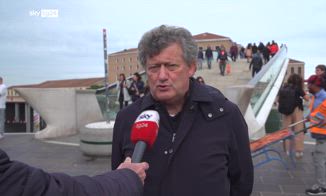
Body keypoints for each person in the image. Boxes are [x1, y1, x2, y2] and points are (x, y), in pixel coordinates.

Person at [111, 25, 253, 196]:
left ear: (191, 67)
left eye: (171, 66)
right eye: (154, 68)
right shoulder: (127, 118)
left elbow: (241, 183)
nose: (162, 76)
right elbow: (119, 181)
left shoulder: (225, 114)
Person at [0, 148, 149, 196]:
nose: (162, 76)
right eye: (153, 71)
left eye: (172, 71)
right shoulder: (126, 116)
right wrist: (125, 179)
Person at [279, 74, 309, 158]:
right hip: (297, 110)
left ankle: (287, 150)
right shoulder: (298, 88)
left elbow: (278, 100)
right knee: (298, 130)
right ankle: (298, 151)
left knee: (286, 130)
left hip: (286, 111)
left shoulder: (283, 87)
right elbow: (307, 98)